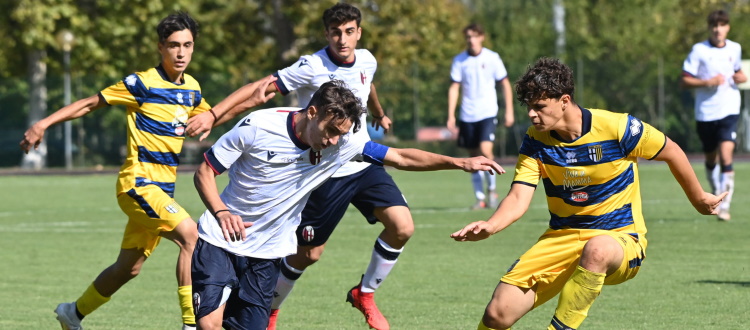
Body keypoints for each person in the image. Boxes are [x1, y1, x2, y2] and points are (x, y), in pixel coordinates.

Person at [19, 12, 275, 330]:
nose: (181, 52)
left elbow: (212, 117)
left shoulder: (192, 89)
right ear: (160, 48)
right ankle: (190, 324)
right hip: (137, 184)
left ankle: (73, 312)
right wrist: (43, 123)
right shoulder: (141, 84)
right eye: (173, 45)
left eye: (187, 45)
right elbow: (89, 103)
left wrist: (250, 101)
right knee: (190, 237)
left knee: (129, 267)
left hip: (162, 191)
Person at [191, 80, 505, 330]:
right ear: (312, 112)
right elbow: (205, 170)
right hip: (220, 242)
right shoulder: (258, 127)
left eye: (340, 135)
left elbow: (401, 157)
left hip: (267, 252)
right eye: (329, 131)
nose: (332, 142)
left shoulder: (342, 143)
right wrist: (221, 211)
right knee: (209, 323)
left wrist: (458, 162)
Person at [450, 57, 726, 330]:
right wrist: (491, 225)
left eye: (539, 107)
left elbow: (672, 151)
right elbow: (518, 197)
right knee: (497, 314)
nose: (532, 115)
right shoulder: (535, 140)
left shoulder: (618, 128)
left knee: (597, 249)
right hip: (561, 237)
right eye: (529, 108)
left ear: (565, 101)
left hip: (620, 238)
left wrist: (698, 198)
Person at [186, 3, 407, 329]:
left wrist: (377, 112)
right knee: (309, 254)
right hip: (320, 166)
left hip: (354, 156)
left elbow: (367, 84)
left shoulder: (368, 59)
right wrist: (214, 115)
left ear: (359, 32)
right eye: (335, 32)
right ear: (326, 33)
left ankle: (366, 293)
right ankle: (268, 306)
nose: (342, 40)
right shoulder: (311, 66)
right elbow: (259, 91)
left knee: (402, 226)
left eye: (349, 32)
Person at [681, 9, 746, 221]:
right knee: (711, 158)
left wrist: (741, 77)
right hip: (706, 113)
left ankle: (724, 205)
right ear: (710, 28)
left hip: (729, 109)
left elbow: (738, 72)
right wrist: (707, 82)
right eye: (714, 26)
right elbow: (685, 80)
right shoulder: (699, 50)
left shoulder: (735, 48)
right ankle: (716, 188)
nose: (718, 29)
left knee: (726, 155)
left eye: (722, 25)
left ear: (727, 27)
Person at [447, 22, 515, 210]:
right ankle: (480, 198)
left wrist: (509, 110)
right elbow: (454, 87)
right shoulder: (459, 60)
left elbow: (505, 84)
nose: (471, 40)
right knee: (472, 158)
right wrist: (451, 115)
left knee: (486, 151)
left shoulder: (492, 58)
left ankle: (492, 190)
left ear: (481, 37)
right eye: (468, 37)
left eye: (474, 36)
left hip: (487, 113)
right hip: (468, 115)